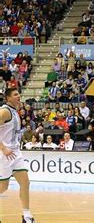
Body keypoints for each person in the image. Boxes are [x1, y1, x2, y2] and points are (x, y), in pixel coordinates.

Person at [0, 88, 36, 222]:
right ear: (8, 98)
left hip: (15, 152)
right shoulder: (4, 111)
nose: (18, 96)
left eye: (18, 94)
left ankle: (27, 216)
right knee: (3, 187)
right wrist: (3, 148)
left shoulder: (15, 111)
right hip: (4, 154)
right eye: (15, 95)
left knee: (25, 182)